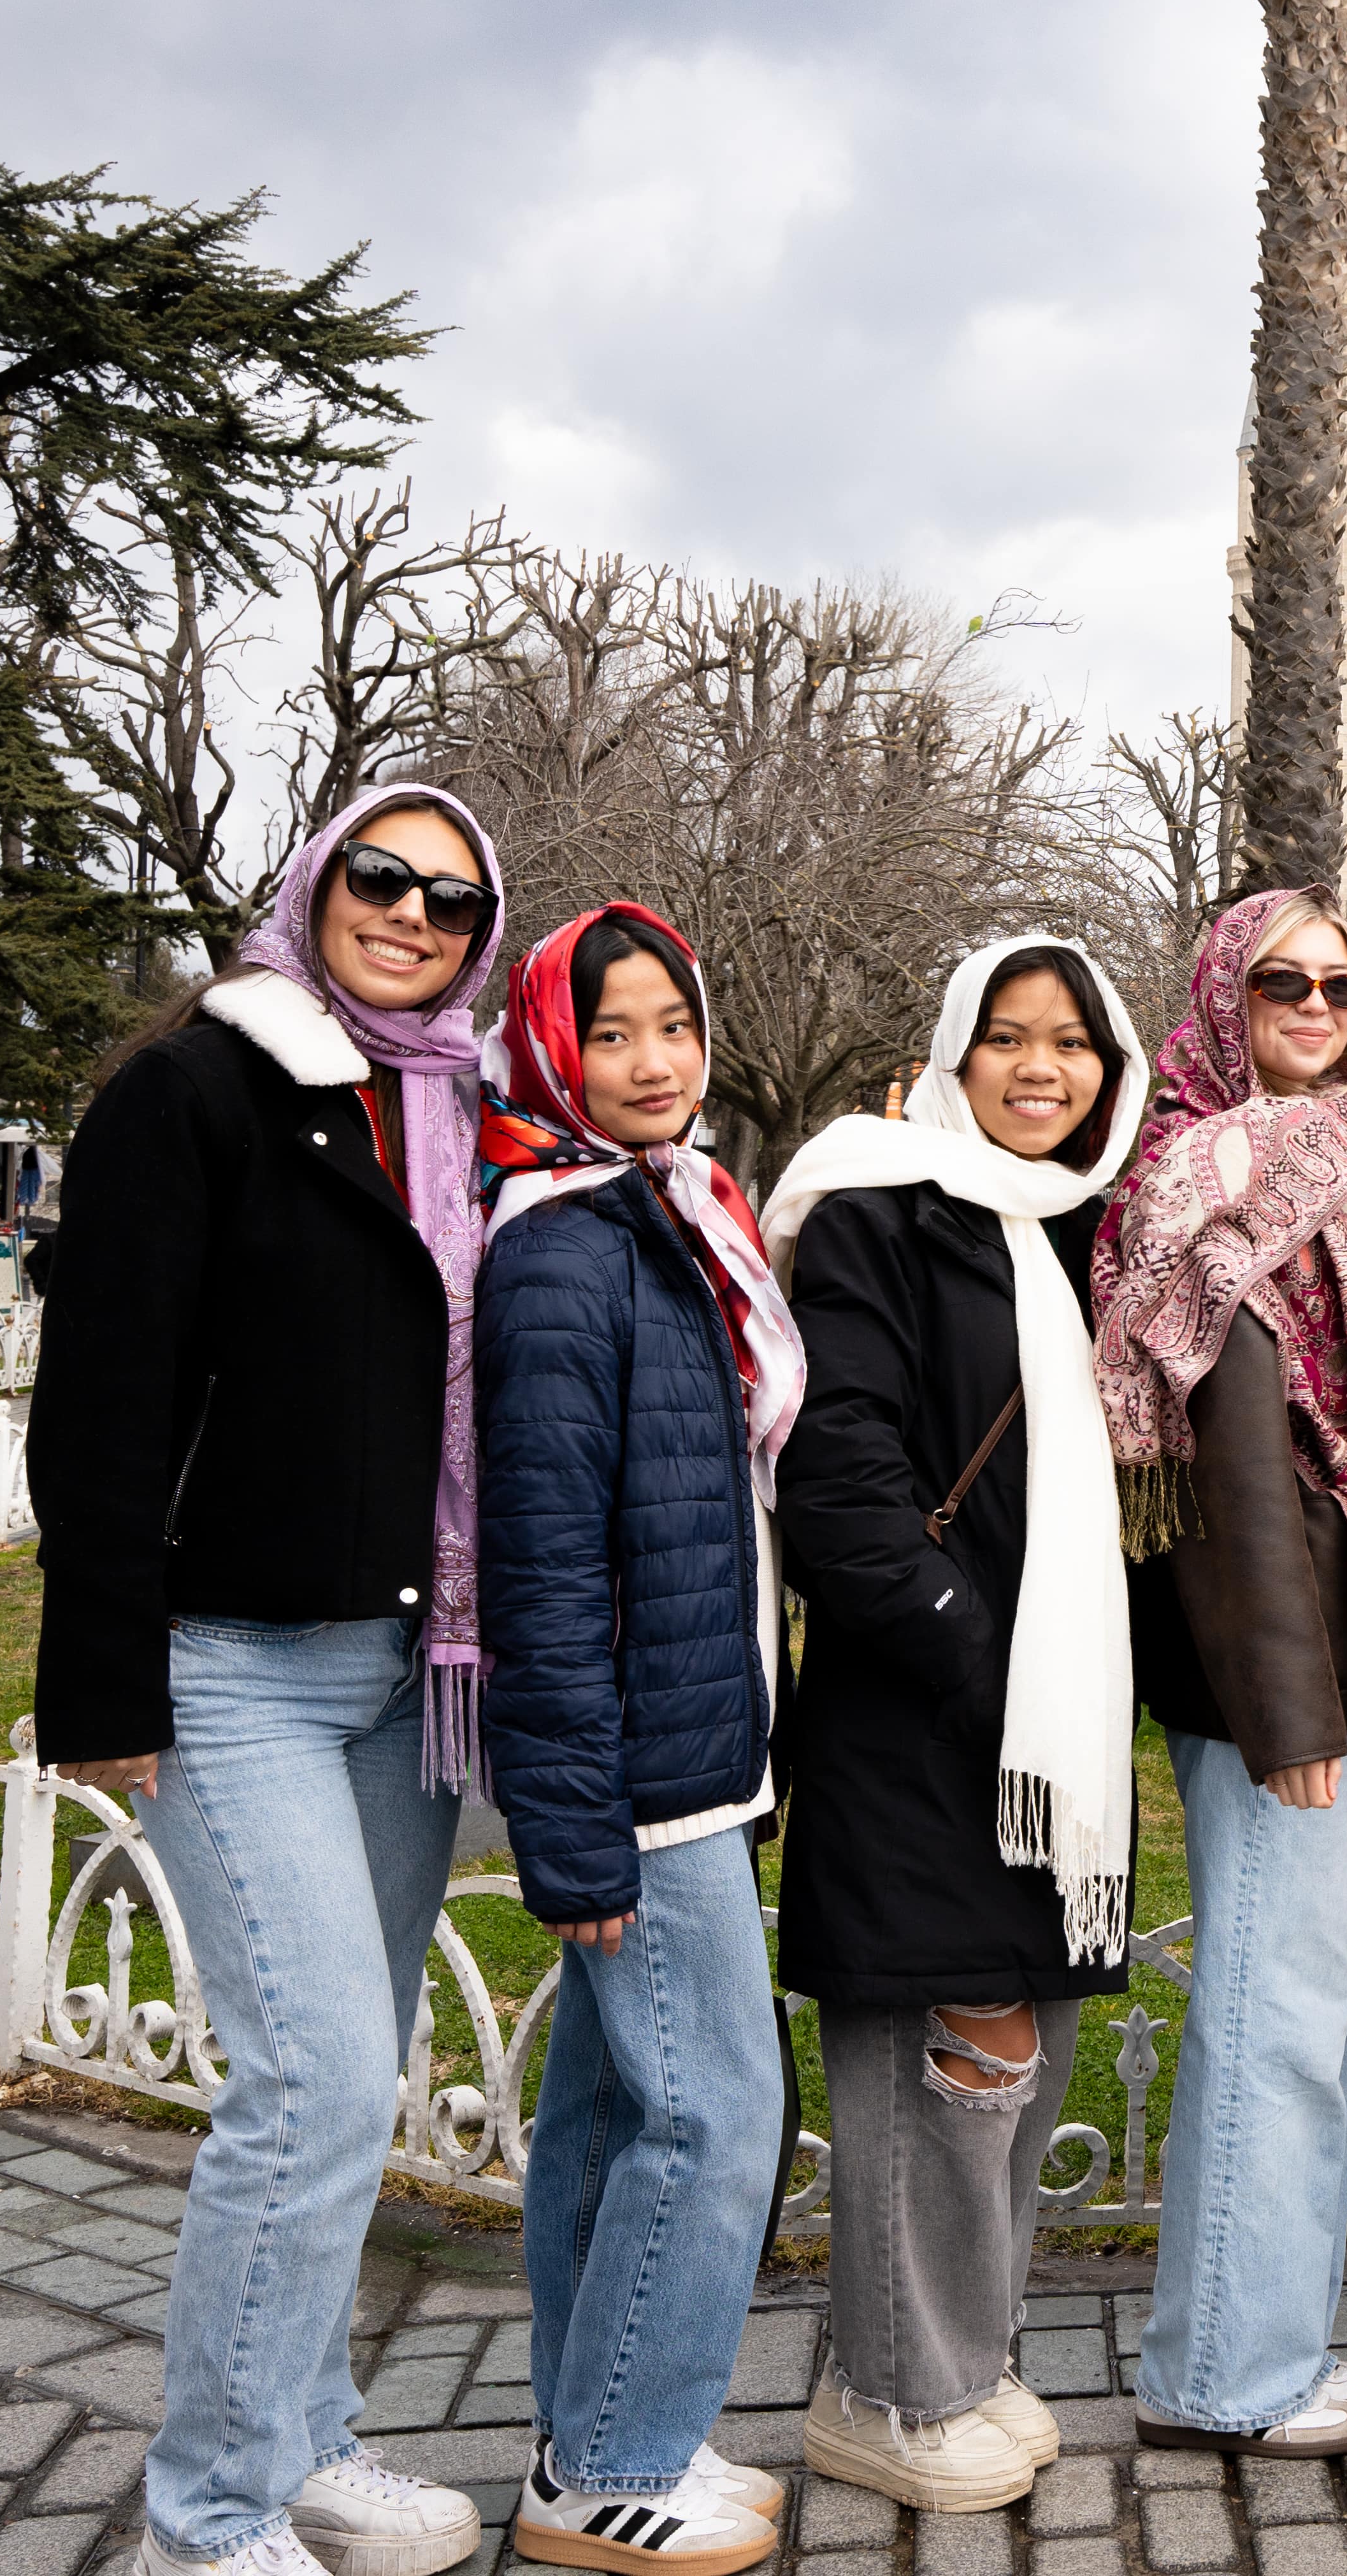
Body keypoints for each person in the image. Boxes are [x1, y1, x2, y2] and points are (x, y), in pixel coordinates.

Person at [32, 788, 508, 2576]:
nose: (413, 915)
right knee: (303, 2085)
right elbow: (99, 1401)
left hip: (404, 1671)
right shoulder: (199, 1085)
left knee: (354, 2071)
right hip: (230, 1660)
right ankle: (208, 2520)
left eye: (453, 899)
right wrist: (104, 1684)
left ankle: (307, 2441)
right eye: (379, 879)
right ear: (312, 888)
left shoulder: (455, 1107)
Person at [1091, 887, 1347, 2460]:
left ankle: (1251, 2341)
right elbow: (1232, 1472)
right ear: (1220, 993)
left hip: (1333, 1655)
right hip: (1279, 1676)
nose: (1320, 1006)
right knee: (1271, 2011)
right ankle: (1226, 2377)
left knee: (1311, 2007)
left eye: (1344, 982)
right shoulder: (1209, 1170)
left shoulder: (1336, 1173)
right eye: (1285, 982)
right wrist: (1284, 1711)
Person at [760, 940, 1151, 2510]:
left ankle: (967, 2360)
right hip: (924, 1710)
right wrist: (980, 1656)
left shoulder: (1090, 1230)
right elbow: (837, 1473)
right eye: (1007, 1039)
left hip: (1041, 1727)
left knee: (1016, 2055)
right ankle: (889, 2392)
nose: (1040, 1070)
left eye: (1071, 1045)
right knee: (937, 2057)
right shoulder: (876, 1208)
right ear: (951, 1052)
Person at [473, 906, 801, 2574]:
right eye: (613, 1035)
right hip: (643, 1780)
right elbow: (540, 1565)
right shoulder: (560, 1249)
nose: (655, 1058)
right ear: (551, 1049)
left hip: (691, 1747)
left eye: (674, 1022)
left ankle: (591, 2431)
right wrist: (579, 1822)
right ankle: (611, 2459)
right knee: (717, 2114)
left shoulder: (665, 1219)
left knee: (610, 2116)